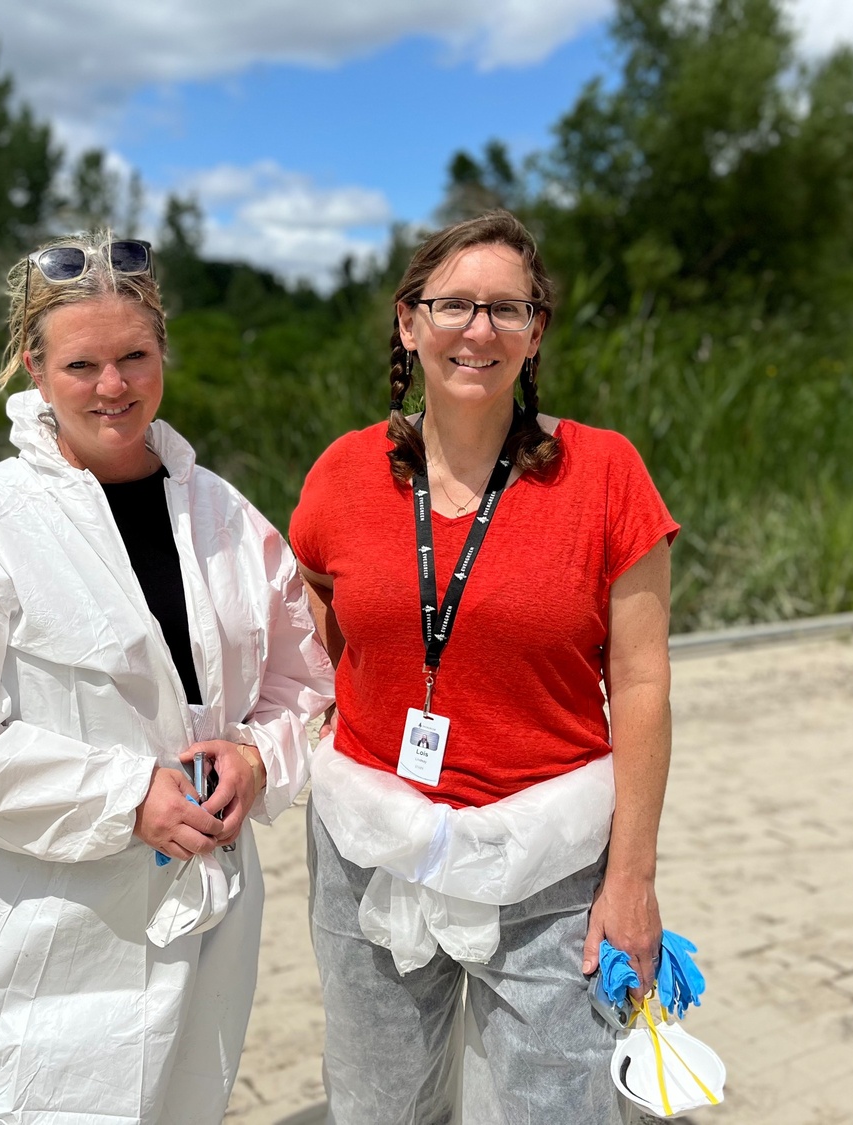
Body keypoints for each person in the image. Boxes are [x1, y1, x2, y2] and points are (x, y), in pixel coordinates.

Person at [0, 230, 333, 1125]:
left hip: (210, 908)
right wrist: (126, 795)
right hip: (60, 924)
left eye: (134, 356)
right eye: (83, 363)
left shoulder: (226, 515)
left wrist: (254, 758)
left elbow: (305, 684)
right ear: (34, 366)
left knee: (189, 1102)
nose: (113, 386)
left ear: (163, 351)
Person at [289, 211, 679, 1125]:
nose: (478, 330)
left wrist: (633, 879)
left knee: (563, 1106)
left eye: (507, 308)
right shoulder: (343, 472)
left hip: (548, 855)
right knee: (380, 1106)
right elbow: (318, 626)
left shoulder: (607, 471)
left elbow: (646, 684)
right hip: (369, 843)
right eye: (454, 304)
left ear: (536, 330)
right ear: (408, 321)